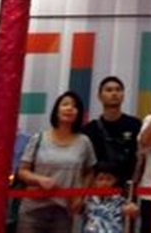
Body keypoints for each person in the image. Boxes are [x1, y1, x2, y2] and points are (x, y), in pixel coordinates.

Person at [17, 91, 97, 233]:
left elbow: (90, 171)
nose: (69, 108)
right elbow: (22, 171)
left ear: (78, 113)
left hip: (63, 211)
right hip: (33, 210)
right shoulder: (39, 138)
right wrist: (39, 179)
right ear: (56, 110)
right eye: (65, 104)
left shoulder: (84, 142)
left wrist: (81, 195)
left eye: (74, 106)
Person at [81, 76, 141, 189]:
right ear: (99, 96)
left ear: (123, 95)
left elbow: (140, 158)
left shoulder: (135, 125)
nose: (114, 93)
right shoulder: (89, 129)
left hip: (127, 189)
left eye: (118, 90)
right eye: (109, 90)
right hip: (97, 191)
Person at [81, 161, 136, 233]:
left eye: (109, 179)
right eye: (100, 179)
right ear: (94, 180)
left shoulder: (119, 201)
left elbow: (133, 210)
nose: (104, 183)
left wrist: (132, 208)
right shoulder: (88, 199)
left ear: (115, 180)